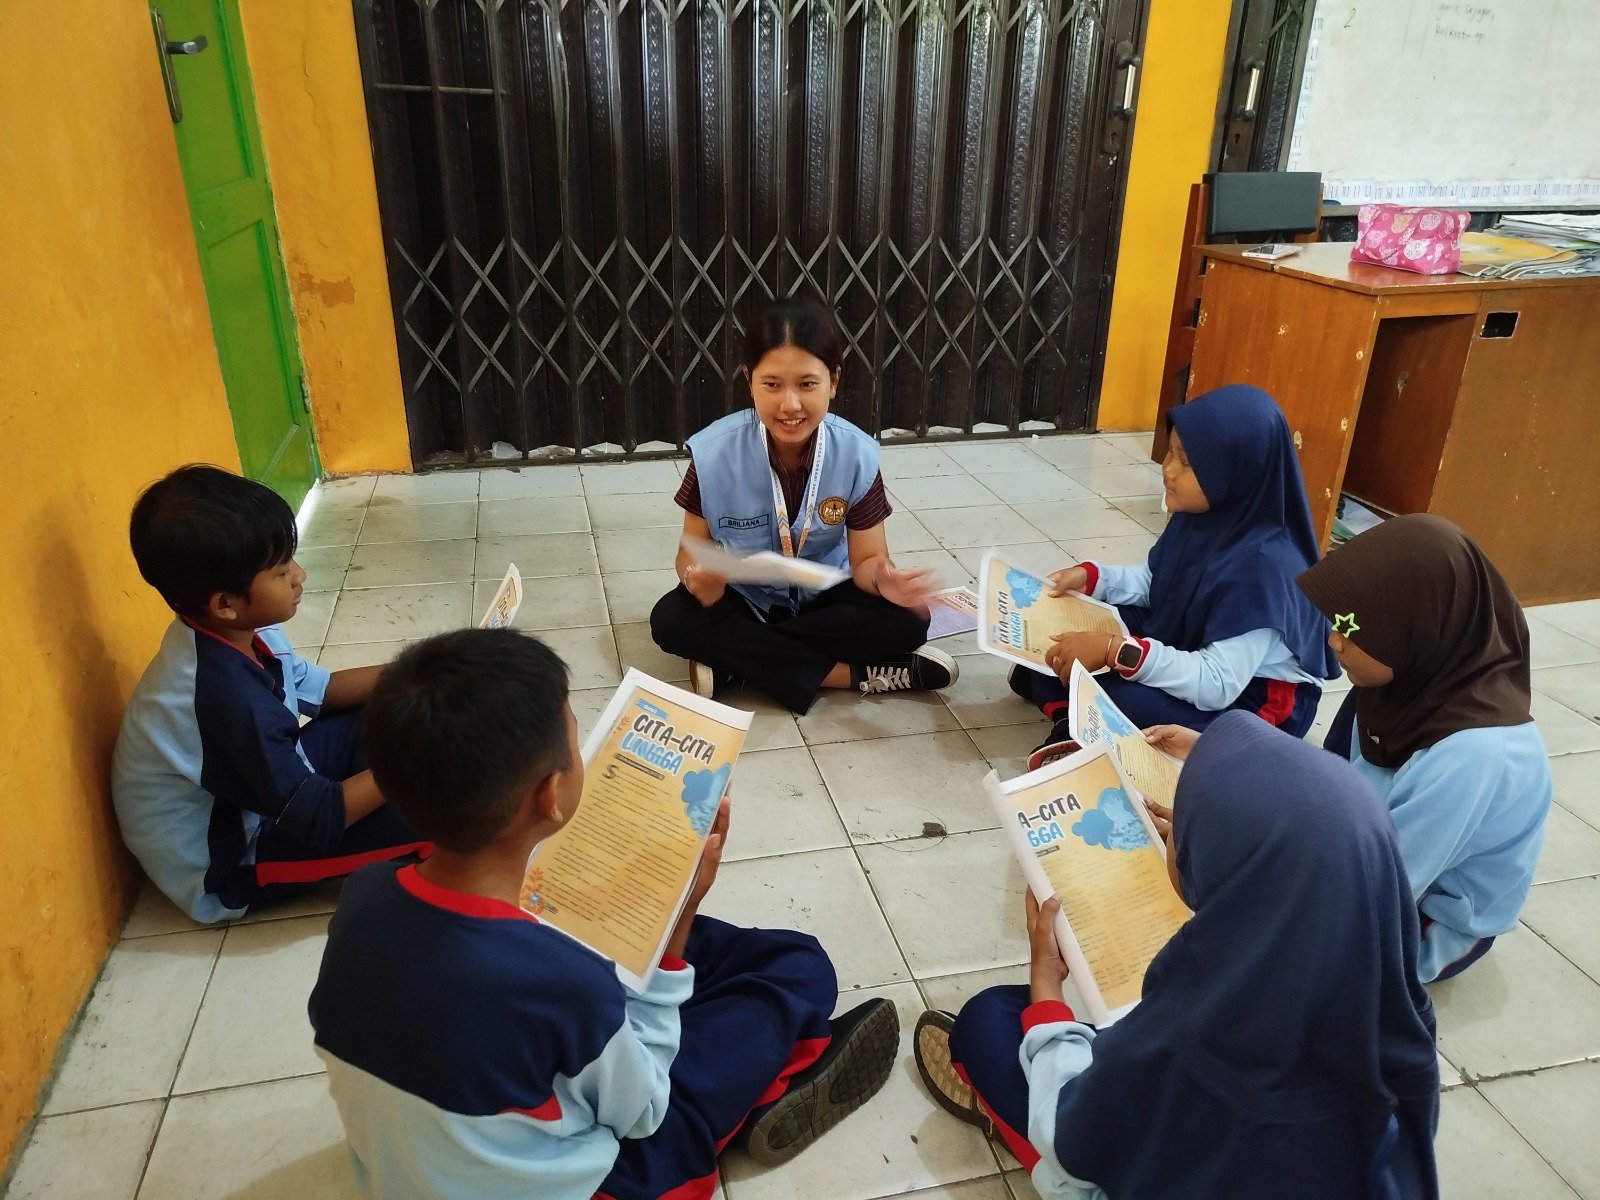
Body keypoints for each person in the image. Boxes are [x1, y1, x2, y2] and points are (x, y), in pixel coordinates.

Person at [310, 627, 898, 1199]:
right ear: (549, 795)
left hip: (407, 1169)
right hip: (604, 1182)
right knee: (797, 968)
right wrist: (681, 912)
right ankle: (762, 1095)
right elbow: (643, 1111)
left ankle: (734, 1065)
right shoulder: (561, 981)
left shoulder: (365, 894)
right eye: (575, 743)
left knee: (695, 963)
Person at [913, 711, 1441, 1200]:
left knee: (988, 1021)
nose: (1171, 837)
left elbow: (1070, 1138)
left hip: (1136, 1161)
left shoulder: (1197, 1041)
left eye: (1182, 832)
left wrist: (1048, 991)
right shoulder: (1396, 1014)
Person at [112, 465, 422, 923]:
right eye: (281, 572)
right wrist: (411, 764)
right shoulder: (225, 699)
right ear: (225, 603)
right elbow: (317, 817)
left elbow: (322, 690)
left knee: (401, 705)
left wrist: (425, 670)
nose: (300, 575)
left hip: (264, 796)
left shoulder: (239, 628)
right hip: (237, 863)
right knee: (446, 811)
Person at [650, 295, 956, 714]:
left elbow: (867, 560)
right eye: (772, 384)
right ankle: (850, 675)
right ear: (749, 380)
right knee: (670, 620)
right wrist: (699, 580)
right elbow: (690, 551)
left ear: (834, 380)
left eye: (807, 384)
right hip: (747, 598)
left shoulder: (857, 454)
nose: (790, 405)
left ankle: (738, 666)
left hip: (822, 598)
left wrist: (885, 581)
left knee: (911, 620)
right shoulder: (712, 454)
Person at [1013, 384, 1337, 759]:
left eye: (1187, 462)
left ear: (1235, 471)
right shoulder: (1204, 513)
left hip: (1253, 701)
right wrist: (1094, 579)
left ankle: (1077, 719)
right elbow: (1159, 582)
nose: (1168, 470)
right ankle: (1070, 717)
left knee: (1121, 696)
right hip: (1193, 642)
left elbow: (1216, 684)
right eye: (1171, 452)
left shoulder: (1265, 567)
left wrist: (1115, 651)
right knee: (1057, 633)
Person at [1297, 513, 1552, 982]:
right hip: (1377, 856)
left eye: (1351, 629)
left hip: (1431, 915)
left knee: (1283, 958)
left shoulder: (1473, 756)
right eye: (1336, 623)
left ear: (1414, 626)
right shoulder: (1394, 679)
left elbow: (1379, 889)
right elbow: (1329, 783)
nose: (1333, 641)